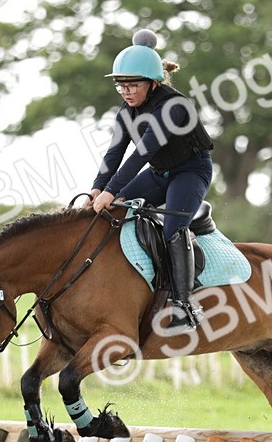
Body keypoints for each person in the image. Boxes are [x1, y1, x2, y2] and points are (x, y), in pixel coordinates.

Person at [88, 29, 215, 329]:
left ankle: (185, 306)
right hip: (159, 174)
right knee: (113, 210)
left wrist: (111, 190)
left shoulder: (173, 107)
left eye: (133, 85)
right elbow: (115, 153)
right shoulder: (126, 111)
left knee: (172, 227)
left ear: (153, 83)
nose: (127, 92)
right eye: (121, 86)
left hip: (191, 171)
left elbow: (141, 153)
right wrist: (97, 189)